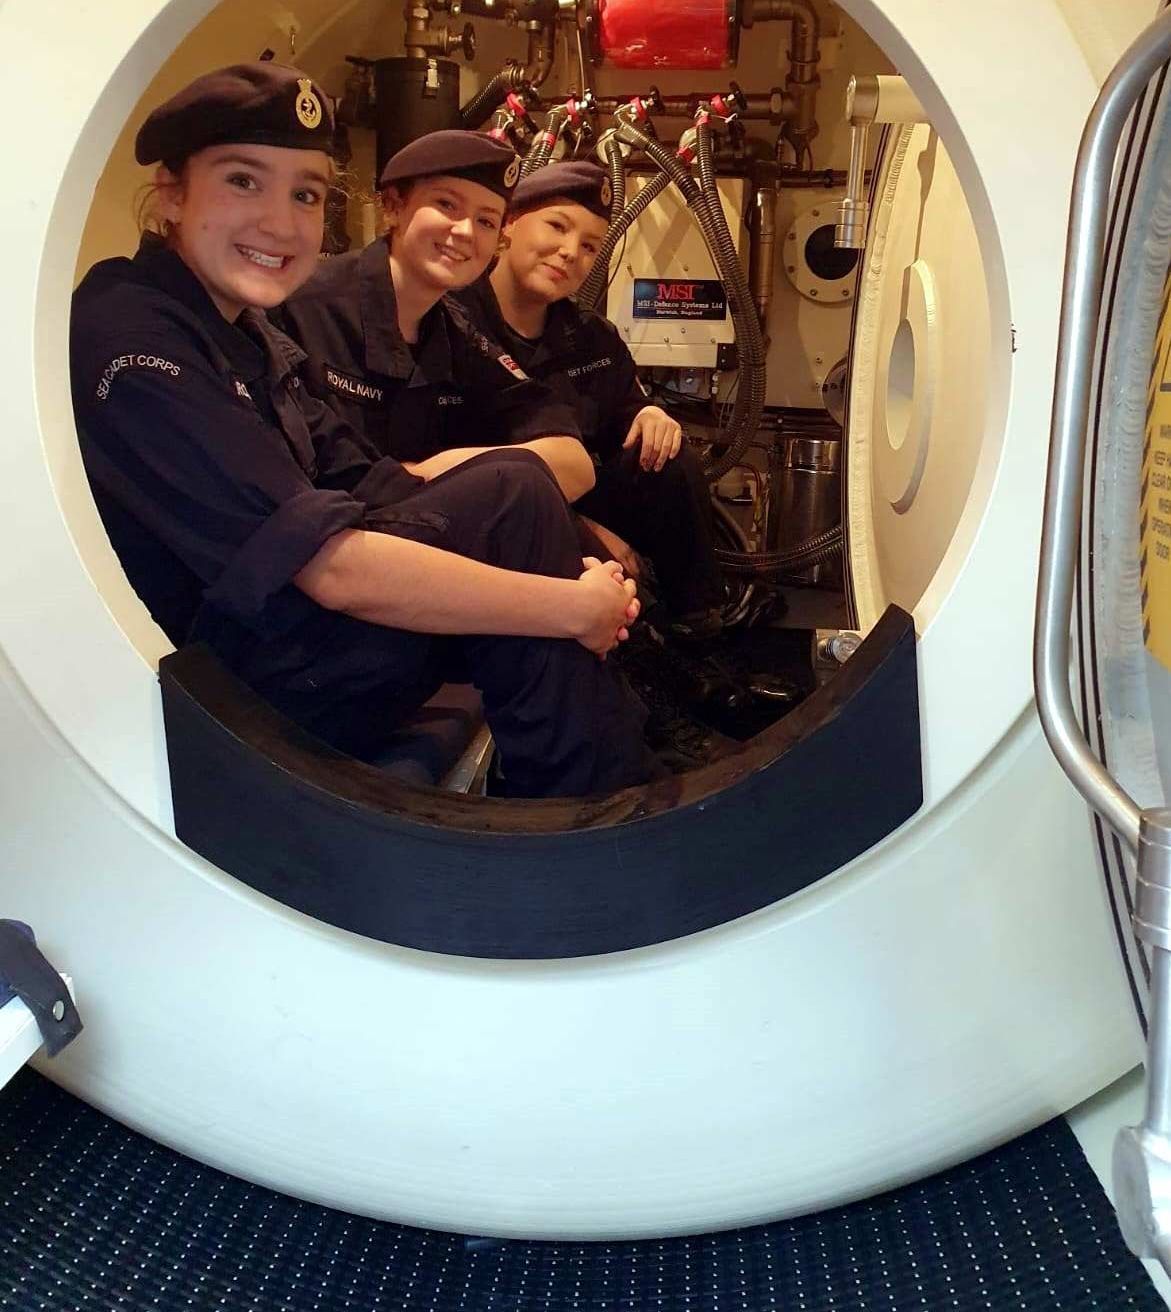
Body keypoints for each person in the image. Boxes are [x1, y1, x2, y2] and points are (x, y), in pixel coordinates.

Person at [70, 63, 654, 798]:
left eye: (305, 194)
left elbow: (373, 481)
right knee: (514, 507)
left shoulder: (249, 338)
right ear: (172, 193)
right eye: (243, 181)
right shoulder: (135, 335)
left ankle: (593, 791)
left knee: (515, 486)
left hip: (286, 643)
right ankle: (598, 807)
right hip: (222, 694)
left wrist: (568, 561)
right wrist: (571, 605)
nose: (281, 223)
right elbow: (333, 568)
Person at [457, 160, 727, 638]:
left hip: (584, 493)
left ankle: (698, 626)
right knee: (609, 579)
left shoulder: (590, 337)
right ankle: (639, 646)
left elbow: (624, 410)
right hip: (495, 510)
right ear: (509, 225)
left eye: (589, 247)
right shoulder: (456, 324)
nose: (569, 254)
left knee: (672, 461)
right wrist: (583, 526)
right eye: (557, 227)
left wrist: (650, 412)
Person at [271, 129, 591, 501]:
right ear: (393, 206)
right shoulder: (301, 306)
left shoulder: (457, 333)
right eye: (447, 205)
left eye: (486, 221)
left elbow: (575, 464)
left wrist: (431, 473)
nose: (466, 231)